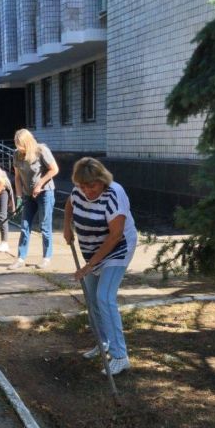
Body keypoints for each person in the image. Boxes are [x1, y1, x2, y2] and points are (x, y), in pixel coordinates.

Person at [63, 157, 137, 376]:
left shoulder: (114, 195)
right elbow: (70, 204)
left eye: (91, 185)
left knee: (105, 296)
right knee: (92, 296)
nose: (87, 191)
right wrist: (66, 227)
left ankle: (120, 356)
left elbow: (115, 236)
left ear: (102, 180)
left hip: (118, 249)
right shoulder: (79, 191)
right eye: (83, 186)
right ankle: (103, 342)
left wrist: (89, 266)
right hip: (93, 250)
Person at [9, 128, 59, 270]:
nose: (19, 148)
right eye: (17, 144)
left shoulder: (41, 150)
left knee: (45, 226)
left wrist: (40, 184)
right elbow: (17, 178)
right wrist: (18, 197)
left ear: (28, 142)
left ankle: (46, 258)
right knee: (24, 226)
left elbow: (54, 169)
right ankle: (20, 258)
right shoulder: (16, 155)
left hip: (45, 193)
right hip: (27, 195)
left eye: (21, 145)